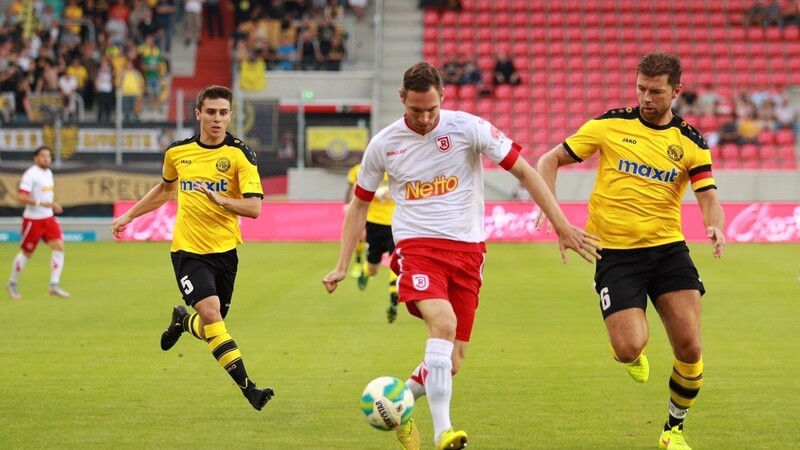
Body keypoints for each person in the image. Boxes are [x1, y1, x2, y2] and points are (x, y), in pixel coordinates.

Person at [322, 62, 599, 450]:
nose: (423, 118)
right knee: (443, 322)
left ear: (443, 99)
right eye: (416, 109)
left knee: (450, 362)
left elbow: (525, 172)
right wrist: (340, 264)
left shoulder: (469, 128)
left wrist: (562, 225)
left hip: (468, 253)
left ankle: (397, 404)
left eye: (431, 109)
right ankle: (444, 433)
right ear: (402, 98)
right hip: (417, 248)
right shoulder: (384, 144)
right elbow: (358, 206)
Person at [535, 51, 725, 450]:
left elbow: (707, 194)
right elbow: (548, 159)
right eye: (641, 88)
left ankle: (672, 431)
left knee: (690, 346)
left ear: (676, 91)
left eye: (655, 91)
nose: (646, 98)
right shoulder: (609, 125)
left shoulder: (690, 141)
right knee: (628, 348)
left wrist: (715, 224)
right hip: (615, 254)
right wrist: (553, 214)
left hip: (668, 250)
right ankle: (630, 350)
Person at [110, 85, 274, 411]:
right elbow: (164, 189)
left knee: (212, 325)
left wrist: (219, 198)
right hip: (188, 251)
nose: (217, 119)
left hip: (225, 252)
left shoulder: (240, 155)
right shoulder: (177, 153)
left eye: (223, 113)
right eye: (210, 112)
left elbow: (254, 208)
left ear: (230, 116)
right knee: (212, 315)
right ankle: (249, 389)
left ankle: (182, 322)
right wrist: (129, 214)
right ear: (198, 113)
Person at [6, 146, 70, 300]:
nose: (46, 159)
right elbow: (21, 197)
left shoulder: (48, 173)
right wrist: (42, 203)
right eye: (43, 156)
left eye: (48, 156)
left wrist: (52, 205)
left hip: (48, 218)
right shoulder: (30, 174)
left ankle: (54, 285)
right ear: (36, 158)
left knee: (59, 247)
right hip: (33, 220)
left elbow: (47, 197)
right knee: (27, 253)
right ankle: (12, 283)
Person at [347, 162, 400, 323]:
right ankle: (365, 270)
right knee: (373, 268)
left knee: (395, 261)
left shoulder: (399, 166)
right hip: (374, 224)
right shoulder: (367, 169)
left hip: (395, 223)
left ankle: (393, 300)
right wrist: (377, 192)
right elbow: (357, 190)